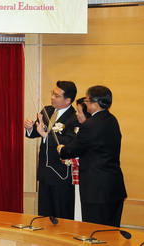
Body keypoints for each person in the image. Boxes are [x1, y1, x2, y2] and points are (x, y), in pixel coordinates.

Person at [57, 85, 127, 227]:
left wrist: (62, 150)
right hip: (114, 187)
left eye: (87, 101)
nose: (85, 104)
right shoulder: (112, 120)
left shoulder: (90, 125)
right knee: (112, 230)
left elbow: (75, 149)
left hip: (96, 190)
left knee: (94, 231)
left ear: (95, 105)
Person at [24, 81, 80, 220]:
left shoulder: (75, 118)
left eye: (57, 95)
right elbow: (37, 131)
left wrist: (45, 135)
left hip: (61, 174)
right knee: (44, 213)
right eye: (52, 93)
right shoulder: (47, 111)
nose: (52, 97)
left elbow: (68, 142)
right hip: (44, 171)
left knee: (61, 215)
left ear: (68, 100)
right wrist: (30, 127)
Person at [70, 97, 91, 221]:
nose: (76, 114)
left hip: (87, 178)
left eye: (79, 111)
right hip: (77, 178)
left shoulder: (88, 129)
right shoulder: (78, 128)